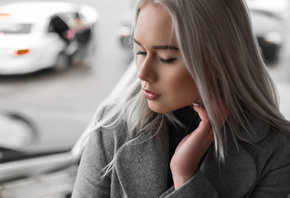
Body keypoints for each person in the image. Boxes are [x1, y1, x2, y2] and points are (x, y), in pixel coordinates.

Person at [72, 0, 290, 197]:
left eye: (166, 58)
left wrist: (185, 176)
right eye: (140, 52)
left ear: (218, 61)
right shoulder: (112, 123)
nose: (143, 73)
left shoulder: (276, 151)